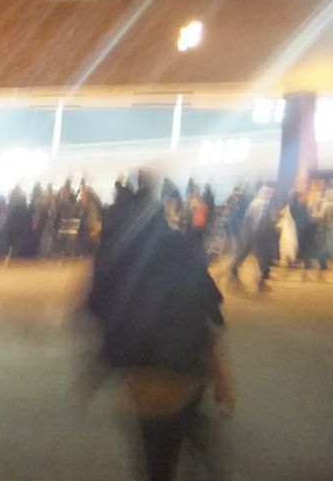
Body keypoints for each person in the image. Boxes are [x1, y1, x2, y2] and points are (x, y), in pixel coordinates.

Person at [88, 170, 233, 481]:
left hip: (141, 376)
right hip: (184, 370)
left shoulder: (117, 258)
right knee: (185, 430)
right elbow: (211, 306)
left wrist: (100, 364)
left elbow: (96, 306)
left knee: (154, 455)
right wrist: (219, 373)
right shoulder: (180, 249)